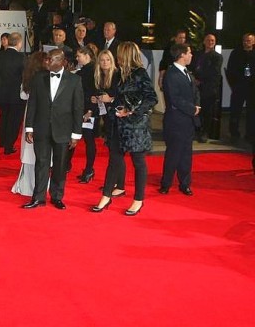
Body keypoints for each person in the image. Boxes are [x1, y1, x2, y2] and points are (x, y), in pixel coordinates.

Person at [91, 42, 157, 215]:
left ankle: (138, 199)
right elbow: (119, 97)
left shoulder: (140, 74)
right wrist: (115, 105)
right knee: (114, 160)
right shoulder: (120, 74)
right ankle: (106, 195)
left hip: (135, 127)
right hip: (117, 124)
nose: (117, 57)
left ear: (127, 55)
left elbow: (152, 98)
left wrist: (132, 111)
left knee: (138, 163)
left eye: (120, 54)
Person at [22, 48, 83, 210]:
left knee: (60, 165)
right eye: (47, 59)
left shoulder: (74, 80)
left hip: (63, 130)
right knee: (41, 163)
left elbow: (78, 108)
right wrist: (29, 128)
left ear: (62, 62)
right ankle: (38, 197)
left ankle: (57, 196)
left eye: (51, 59)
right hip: (41, 128)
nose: (47, 61)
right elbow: (32, 104)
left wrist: (76, 134)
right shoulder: (38, 78)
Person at [160, 43, 201, 196]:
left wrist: (197, 106)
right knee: (174, 153)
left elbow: (195, 91)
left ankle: (185, 183)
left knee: (186, 154)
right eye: (189, 52)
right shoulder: (171, 75)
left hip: (188, 120)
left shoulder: (188, 73)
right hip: (175, 121)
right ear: (182, 55)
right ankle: (166, 183)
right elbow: (174, 99)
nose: (191, 55)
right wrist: (192, 109)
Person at [12, 51, 48, 196]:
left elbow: (22, 95)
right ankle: (37, 185)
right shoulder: (43, 78)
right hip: (41, 113)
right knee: (39, 150)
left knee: (29, 149)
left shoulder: (28, 77)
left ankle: (28, 184)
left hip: (30, 113)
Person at [0, 32, 26, 155]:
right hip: (16, 95)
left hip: (1, 93)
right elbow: (25, 76)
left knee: (3, 117)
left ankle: (2, 140)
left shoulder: (0, 55)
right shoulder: (21, 57)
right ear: (19, 43)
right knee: (14, 120)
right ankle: (8, 145)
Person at [73, 46, 98, 183]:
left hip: (89, 111)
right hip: (83, 109)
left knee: (89, 140)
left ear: (87, 55)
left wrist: (90, 110)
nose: (77, 58)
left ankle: (89, 170)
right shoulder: (85, 70)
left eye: (79, 56)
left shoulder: (93, 70)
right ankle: (86, 169)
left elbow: (94, 92)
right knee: (81, 138)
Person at [193, 33, 222, 142]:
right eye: (208, 40)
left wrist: (201, 80)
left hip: (208, 88)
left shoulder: (217, 57)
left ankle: (205, 132)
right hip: (197, 87)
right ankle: (197, 129)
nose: (210, 42)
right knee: (197, 109)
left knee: (207, 111)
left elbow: (214, 73)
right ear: (204, 41)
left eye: (212, 41)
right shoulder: (198, 54)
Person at [227, 33, 255, 140]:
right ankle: (233, 132)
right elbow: (230, 69)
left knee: (251, 112)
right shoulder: (236, 53)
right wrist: (234, 84)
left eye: (249, 40)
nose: (246, 42)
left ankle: (250, 134)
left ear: (253, 42)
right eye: (244, 40)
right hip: (238, 86)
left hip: (252, 88)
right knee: (235, 110)